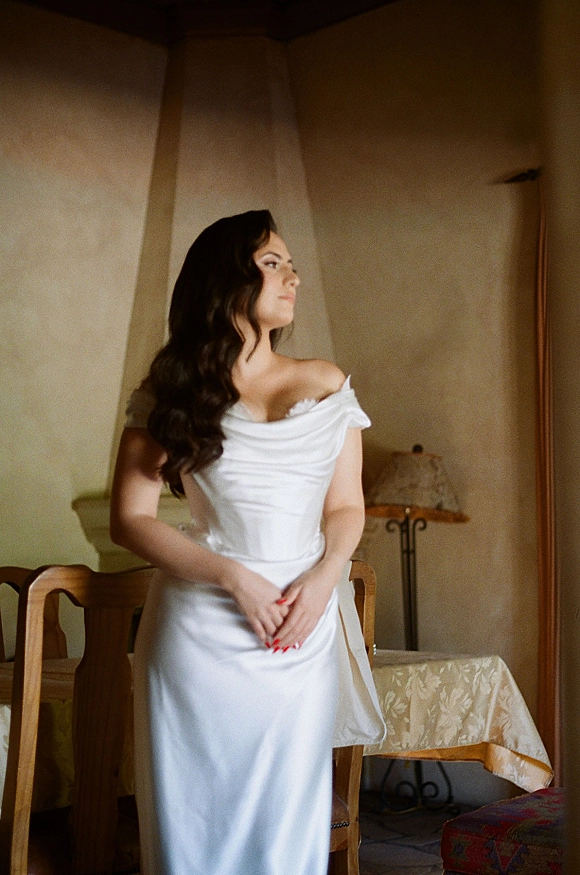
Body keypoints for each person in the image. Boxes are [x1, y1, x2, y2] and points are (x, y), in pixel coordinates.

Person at [110, 210, 384, 875]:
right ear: (226, 278)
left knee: (287, 819)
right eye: (272, 263)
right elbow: (131, 519)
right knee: (192, 823)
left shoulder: (325, 382)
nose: (293, 277)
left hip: (301, 626)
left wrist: (325, 577)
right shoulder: (173, 391)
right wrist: (232, 576)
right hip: (198, 634)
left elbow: (347, 507)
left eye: (292, 265)